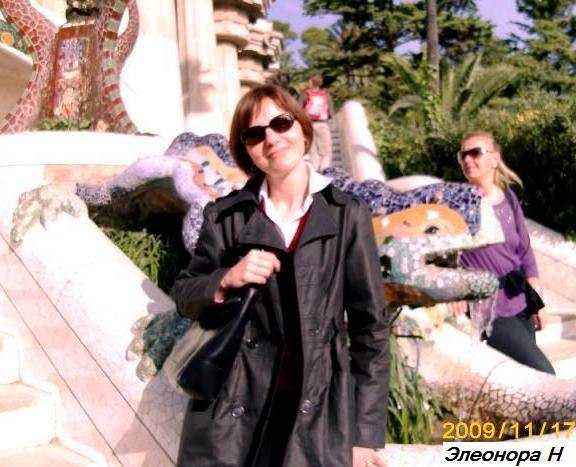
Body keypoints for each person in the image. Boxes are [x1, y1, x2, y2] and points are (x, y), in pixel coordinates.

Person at [171, 84, 390, 467]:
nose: (271, 139)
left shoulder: (346, 213)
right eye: (255, 134)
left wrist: (364, 436)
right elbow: (185, 294)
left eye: (281, 123)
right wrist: (226, 278)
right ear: (247, 151)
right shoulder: (226, 215)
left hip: (318, 410)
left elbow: (370, 329)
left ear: (303, 128)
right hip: (234, 410)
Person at [456, 130, 555, 374]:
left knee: (529, 379)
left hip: (520, 299)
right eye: (463, 155)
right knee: (544, 373)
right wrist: (452, 291)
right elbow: (440, 248)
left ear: (494, 158)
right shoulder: (458, 203)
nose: (467, 159)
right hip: (488, 309)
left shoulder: (509, 198)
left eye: (474, 153)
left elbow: (525, 252)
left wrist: (537, 302)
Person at [298, 72, 335, 171]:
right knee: (326, 152)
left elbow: (298, 110)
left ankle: (315, 171)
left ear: (310, 81)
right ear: (320, 82)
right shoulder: (325, 94)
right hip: (323, 124)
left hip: (309, 125)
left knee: (313, 151)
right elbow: (331, 113)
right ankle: (324, 170)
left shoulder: (305, 94)